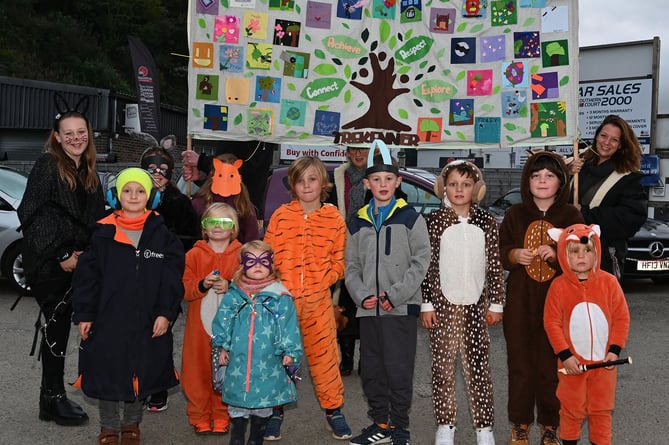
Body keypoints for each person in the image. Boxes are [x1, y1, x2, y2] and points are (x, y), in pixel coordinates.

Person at [71, 168, 185, 444]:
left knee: (141, 371)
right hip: (108, 319)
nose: (133, 196)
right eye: (127, 190)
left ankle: (132, 424)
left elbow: (172, 281)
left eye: (141, 190)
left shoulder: (163, 235)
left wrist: (165, 313)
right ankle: (109, 426)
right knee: (108, 371)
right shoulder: (102, 233)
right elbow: (87, 279)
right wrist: (85, 314)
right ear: (115, 195)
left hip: (149, 319)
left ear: (151, 197)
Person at [17, 102, 105, 426]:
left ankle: (50, 399)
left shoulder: (90, 171)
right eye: (68, 133)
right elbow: (30, 213)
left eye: (81, 132)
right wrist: (61, 255)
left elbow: (97, 220)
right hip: (50, 264)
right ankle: (53, 399)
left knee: (62, 329)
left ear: (88, 135)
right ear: (57, 136)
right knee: (55, 327)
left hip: (79, 263)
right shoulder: (47, 165)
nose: (75, 138)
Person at [345, 142, 431, 445]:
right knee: (371, 369)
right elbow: (351, 267)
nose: (382, 185)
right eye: (376, 180)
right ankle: (380, 423)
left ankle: (400, 428)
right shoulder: (358, 221)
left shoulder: (410, 218)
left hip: (399, 308)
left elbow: (421, 262)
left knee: (398, 369)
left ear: (398, 182)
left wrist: (394, 295)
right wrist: (360, 294)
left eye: (388, 179)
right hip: (368, 309)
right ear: (366, 184)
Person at [498, 151, 584, 445]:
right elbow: (499, 252)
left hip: (558, 303)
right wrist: (513, 254)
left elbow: (584, 257)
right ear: (527, 180)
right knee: (520, 365)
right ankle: (520, 424)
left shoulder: (571, 215)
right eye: (536, 176)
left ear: (561, 181)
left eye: (549, 176)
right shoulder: (515, 214)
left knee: (553, 366)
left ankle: (550, 424)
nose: (542, 181)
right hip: (520, 302)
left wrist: (558, 254)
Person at [263, 156, 351, 441]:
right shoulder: (280, 216)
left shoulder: (333, 218)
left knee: (324, 359)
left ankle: (333, 410)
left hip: (318, 302)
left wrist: (322, 280)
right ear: (293, 184)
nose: (306, 185)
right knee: (279, 358)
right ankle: (274, 411)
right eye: (300, 181)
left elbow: (340, 262)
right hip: (283, 303)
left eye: (312, 179)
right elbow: (267, 256)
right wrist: (276, 285)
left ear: (323, 183)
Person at [420, 161, 505, 445]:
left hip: (476, 307)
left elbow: (494, 265)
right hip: (442, 307)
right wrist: (427, 303)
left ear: (476, 189)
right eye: (453, 184)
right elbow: (427, 267)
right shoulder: (433, 222)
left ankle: (484, 428)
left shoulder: (487, 221)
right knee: (443, 369)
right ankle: (445, 425)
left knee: (478, 368)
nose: (459, 189)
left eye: (466, 184)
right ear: (444, 187)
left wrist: (497, 303)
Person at [544, 223, 630, 445]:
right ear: (564, 255)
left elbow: (622, 318)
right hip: (572, 364)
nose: (582, 257)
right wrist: (565, 355)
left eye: (587, 250)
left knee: (601, 410)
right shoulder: (558, 287)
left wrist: (614, 350)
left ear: (597, 252)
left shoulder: (609, 283)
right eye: (574, 252)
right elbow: (551, 323)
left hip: (604, 363)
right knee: (572, 410)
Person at [212, 240, 304, 445]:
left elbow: (289, 327)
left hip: (268, 363)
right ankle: (236, 438)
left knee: (263, 404)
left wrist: (290, 351)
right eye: (251, 261)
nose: (258, 266)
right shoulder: (234, 295)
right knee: (237, 403)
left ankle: (256, 439)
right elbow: (223, 320)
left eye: (264, 261)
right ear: (242, 265)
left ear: (272, 264)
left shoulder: (281, 297)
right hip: (238, 361)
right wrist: (222, 345)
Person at [140, 143, 201, 413]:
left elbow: (192, 241)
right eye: (150, 168)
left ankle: (158, 387)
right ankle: (139, 382)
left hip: (167, 278)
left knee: (160, 334)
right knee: (137, 333)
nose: (157, 174)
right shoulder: (132, 196)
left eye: (163, 169)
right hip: (137, 278)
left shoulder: (179, 202)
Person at [181, 203, 243, 434]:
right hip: (199, 328)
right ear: (204, 228)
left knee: (226, 368)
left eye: (224, 222)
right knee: (196, 370)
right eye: (212, 222)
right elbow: (184, 289)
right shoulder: (193, 255)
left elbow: (252, 288)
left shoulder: (241, 255)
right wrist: (201, 284)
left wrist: (230, 285)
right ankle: (198, 414)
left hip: (231, 330)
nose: (218, 227)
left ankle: (221, 413)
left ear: (234, 228)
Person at [569, 114, 647, 279]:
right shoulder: (578, 165)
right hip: (569, 253)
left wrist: (584, 213)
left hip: (603, 259)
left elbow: (631, 219)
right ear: (596, 136)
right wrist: (566, 173)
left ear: (620, 145)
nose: (606, 142)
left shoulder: (628, 177)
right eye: (603, 136)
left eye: (614, 140)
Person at [328, 145, 370, 375]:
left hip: (369, 248)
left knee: (366, 303)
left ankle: (366, 359)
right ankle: (346, 358)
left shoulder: (379, 174)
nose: (358, 154)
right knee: (343, 303)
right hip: (341, 247)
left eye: (363, 149)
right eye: (353, 149)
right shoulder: (337, 177)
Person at [191, 152, 260, 243]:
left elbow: (252, 238)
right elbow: (191, 233)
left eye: (231, 175)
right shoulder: (199, 202)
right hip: (205, 253)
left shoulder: (244, 205)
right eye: (221, 174)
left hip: (235, 254)